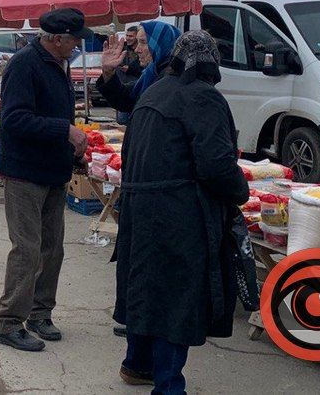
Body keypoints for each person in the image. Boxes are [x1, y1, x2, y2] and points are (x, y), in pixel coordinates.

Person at [114, 31, 249, 392]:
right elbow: (217, 164)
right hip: (179, 214)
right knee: (177, 300)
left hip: (139, 209)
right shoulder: (202, 98)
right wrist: (241, 192)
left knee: (146, 288)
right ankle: (168, 385)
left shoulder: (153, 91)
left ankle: (136, 365)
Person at [0, 8, 90, 353]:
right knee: (28, 248)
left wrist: (73, 146)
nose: (78, 44)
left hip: (52, 170)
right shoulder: (24, 64)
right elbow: (15, 120)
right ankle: (8, 322)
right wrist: (63, 130)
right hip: (24, 171)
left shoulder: (58, 65)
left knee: (53, 247)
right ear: (57, 38)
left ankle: (39, 312)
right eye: (75, 39)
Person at [98, 21, 182, 115]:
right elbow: (126, 100)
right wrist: (108, 71)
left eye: (143, 42)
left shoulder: (173, 78)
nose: (137, 50)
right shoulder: (151, 73)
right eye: (138, 42)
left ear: (162, 43)